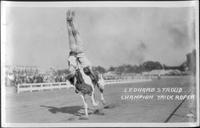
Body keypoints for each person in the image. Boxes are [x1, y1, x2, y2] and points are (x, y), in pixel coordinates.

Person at [65, 10, 99, 89]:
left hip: (75, 52)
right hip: (78, 52)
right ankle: (71, 20)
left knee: (71, 33)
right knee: (74, 33)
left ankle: (69, 20)